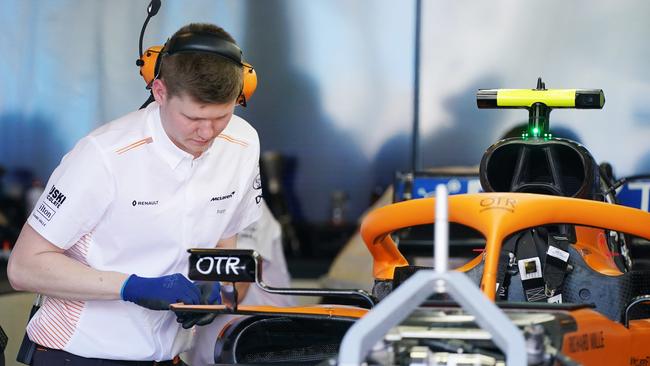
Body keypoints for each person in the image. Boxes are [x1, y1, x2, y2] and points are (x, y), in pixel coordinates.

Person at [7, 23, 262, 365]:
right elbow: (24, 267)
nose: (207, 131)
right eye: (193, 117)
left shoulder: (243, 144)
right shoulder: (103, 156)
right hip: (78, 354)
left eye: (222, 116)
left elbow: (225, 241)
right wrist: (132, 287)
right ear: (159, 92)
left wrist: (216, 289)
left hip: (169, 356)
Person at [181, 199, 296, 365]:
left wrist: (182, 295)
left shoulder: (246, 201)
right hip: (208, 352)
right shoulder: (186, 204)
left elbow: (237, 287)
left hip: (262, 349)